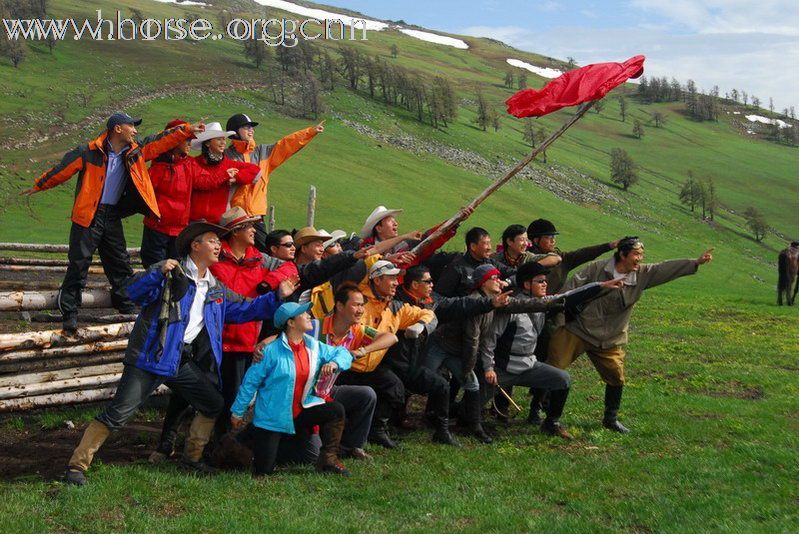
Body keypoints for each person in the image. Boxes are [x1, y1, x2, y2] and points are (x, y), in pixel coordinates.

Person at [64, 221, 293, 486]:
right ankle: (76, 466)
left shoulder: (214, 287)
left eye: (219, 241)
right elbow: (132, 292)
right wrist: (156, 273)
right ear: (195, 246)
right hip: (151, 357)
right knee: (118, 413)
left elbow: (246, 309)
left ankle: (191, 459)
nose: (219, 245)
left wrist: (277, 296)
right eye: (212, 240)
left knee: (213, 403)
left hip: (179, 359)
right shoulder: (170, 272)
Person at [21, 113, 205, 334]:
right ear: (118, 129)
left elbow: (160, 141)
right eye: (131, 126)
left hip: (112, 215)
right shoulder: (88, 152)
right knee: (78, 264)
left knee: (119, 262)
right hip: (88, 215)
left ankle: (125, 302)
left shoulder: (135, 152)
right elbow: (62, 170)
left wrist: (186, 130)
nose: (135, 131)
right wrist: (39, 185)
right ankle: (70, 312)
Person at [547, 237, 713, 433]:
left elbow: (664, 269)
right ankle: (549, 419)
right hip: (579, 329)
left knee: (617, 377)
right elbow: (570, 290)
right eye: (636, 254)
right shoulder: (597, 269)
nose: (640, 258)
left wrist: (695, 262)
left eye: (642, 254)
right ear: (622, 254)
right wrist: (556, 312)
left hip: (610, 338)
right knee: (553, 369)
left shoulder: (642, 274)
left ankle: (611, 419)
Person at [480, 262, 624, 439]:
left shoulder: (542, 304)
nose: (545, 284)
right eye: (540, 281)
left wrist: (600, 286)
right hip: (501, 369)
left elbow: (569, 296)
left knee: (562, 379)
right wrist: (488, 368)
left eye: (545, 280)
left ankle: (551, 423)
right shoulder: (511, 307)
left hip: (528, 365)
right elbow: (489, 340)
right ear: (526, 284)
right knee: (469, 407)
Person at [337, 260, 460, 448]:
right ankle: (372, 431)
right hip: (348, 366)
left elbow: (427, 314)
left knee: (436, 385)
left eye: (397, 278)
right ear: (377, 280)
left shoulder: (396, 307)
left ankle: (439, 431)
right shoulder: (360, 303)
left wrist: (421, 327)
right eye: (391, 278)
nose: (396, 282)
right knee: (393, 387)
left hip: (372, 366)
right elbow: (359, 330)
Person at [230, 302, 353, 477]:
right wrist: (237, 412)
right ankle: (251, 439)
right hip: (272, 419)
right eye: (303, 314)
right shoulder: (270, 351)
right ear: (291, 323)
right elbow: (250, 382)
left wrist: (335, 362)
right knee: (263, 472)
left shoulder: (314, 346)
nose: (309, 315)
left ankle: (328, 459)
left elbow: (344, 353)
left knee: (336, 410)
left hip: (301, 413)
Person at [312, 283, 399, 459]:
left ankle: (353, 446)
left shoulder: (357, 330)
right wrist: (263, 345)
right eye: (356, 305)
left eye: (362, 305)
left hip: (328, 391)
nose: (361, 310)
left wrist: (364, 350)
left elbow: (391, 337)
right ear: (339, 306)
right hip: (306, 395)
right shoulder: (315, 327)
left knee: (366, 394)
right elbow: (285, 337)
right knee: (312, 455)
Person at [140, 119, 240, 268]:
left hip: (179, 230)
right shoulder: (157, 169)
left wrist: (224, 175)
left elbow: (205, 181)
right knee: (155, 269)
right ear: (174, 141)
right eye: (186, 140)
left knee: (176, 271)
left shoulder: (189, 164)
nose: (189, 144)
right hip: (156, 229)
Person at [225, 113, 325, 252]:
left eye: (252, 127)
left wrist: (309, 132)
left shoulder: (264, 152)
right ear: (235, 131)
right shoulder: (225, 157)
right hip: (233, 218)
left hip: (255, 219)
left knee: (265, 254)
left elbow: (286, 145)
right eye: (246, 127)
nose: (251, 130)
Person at [189, 122, 261, 224]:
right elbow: (200, 183)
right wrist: (224, 176)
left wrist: (237, 177)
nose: (223, 142)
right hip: (194, 221)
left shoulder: (228, 164)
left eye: (224, 139)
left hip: (219, 222)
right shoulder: (194, 163)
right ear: (207, 143)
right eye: (219, 139)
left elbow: (255, 170)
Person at [436, 227, 516, 298]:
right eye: (486, 243)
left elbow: (517, 274)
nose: (490, 247)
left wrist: (507, 282)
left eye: (490, 243)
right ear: (473, 246)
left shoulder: (491, 263)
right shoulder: (457, 268)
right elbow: (440, 297)